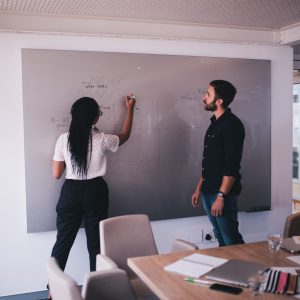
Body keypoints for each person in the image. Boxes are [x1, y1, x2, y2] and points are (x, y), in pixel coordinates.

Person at [50, 95, 135, 273]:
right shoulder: (103, 139)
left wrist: (70, 160)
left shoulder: (63, 139)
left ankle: (53, 291)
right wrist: (130, 108)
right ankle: (96, 288)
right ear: (95, 118)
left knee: (63, 241)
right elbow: (125, 135)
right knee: (96, 244)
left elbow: (56, 174)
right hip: (95, 192)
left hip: (71, 192)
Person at [191, 80, 245, 246]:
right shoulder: (215, 123)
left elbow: (231, 166)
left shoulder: (231, 125)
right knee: (220, 237)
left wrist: (221, 197)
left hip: (221, 194)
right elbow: (211, 161)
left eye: (208, 94)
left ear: (219, 101)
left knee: (231, 240)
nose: (204, 97)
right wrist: (199, 188)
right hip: (208, 191)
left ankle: (243, 271)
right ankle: (226, 271)